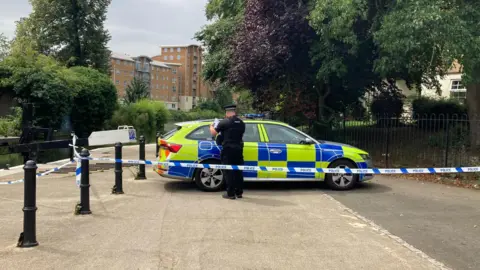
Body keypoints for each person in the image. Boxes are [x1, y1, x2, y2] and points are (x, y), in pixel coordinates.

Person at [210, 104, 245, 199]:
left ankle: (230, 194)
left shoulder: (225, 122)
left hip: (228, 150)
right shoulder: (242, 123)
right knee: (238, 172)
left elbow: (214, 133)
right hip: (239, 149)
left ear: (227, 112)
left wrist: (211, 126)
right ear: (235, 112)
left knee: (228, 171)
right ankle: (239, 192)